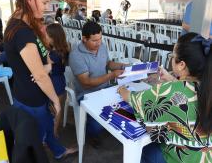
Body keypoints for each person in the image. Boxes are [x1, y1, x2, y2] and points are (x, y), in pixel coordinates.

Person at [3, 0, 77, 160]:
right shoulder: (22, 32)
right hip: (33, 98)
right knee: (33, 141)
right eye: (44, 2)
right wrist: (57, 101)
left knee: (44, 129)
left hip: (26, 93)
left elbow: (37, 66)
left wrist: (46, 65)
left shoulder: (21, 23)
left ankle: (59, 152)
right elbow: (40, 76)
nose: (46, 7)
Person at [118, 32, 212, 163]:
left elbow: (135, 100)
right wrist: (172, 79)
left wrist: (121, 88)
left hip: (182, 159)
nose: (171, 59)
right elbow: (189, 89)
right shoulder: (207, 87)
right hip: (206, 157)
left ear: (181, 65)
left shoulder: (168, 92)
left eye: (173, 56)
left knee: (146, 149)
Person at [69, 21, 125, 147]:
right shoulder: (76, 55)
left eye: (100, 39)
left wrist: (123, 66)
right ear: (84, 39)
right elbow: (86, 83)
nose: (99, 43)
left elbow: (108, 63)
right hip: (87, 94)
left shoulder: (102, 46)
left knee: (126, 101)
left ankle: (115, 127)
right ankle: (90, 134)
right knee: (97, 125)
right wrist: (111, 75)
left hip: (104, 89)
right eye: (94, 40)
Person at [46, 23, 70, 105]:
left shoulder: (56, 54)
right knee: (56, 107)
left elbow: (46, 63)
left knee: (57, 108)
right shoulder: (59, 49)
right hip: (58, 80)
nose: (45, 37)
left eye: (47, 36)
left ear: (53, 38)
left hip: (56, 82)